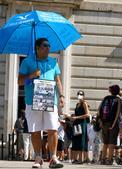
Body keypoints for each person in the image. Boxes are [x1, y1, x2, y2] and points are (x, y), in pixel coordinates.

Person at [18, 38, 64, 168]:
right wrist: (32, 75)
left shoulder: (53, 62)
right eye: (45, 46)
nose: (48, 48)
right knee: (35, 130)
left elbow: (58, 80)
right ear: (37, 48)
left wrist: (61, 95)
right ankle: (38, 157)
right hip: (32, 101)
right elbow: (20, 81)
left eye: (49, 45)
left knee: (53, 129)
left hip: (50, 100)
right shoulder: (27, 61)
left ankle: (53, 157)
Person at [99, 85, 121, 165]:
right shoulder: (118, 100)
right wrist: (114, 124)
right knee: (111, 143)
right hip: (113, 124)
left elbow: (99, 110)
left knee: (105, 142)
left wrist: (101, 121)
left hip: (104, 123)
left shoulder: (106, 98)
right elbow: (117, 113)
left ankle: (103, 159)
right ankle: (109, 159)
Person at [69, 90, 90, 164]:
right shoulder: (77, 104)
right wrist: (72, 116)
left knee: (81, 140)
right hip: (76, 124)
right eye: (78, 94)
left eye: (81, 94)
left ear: (83, 95)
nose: (79, 95)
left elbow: (87, 114)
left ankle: (81, 159)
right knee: (75, 140)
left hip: (82, 123)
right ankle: (75, 158)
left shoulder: (84, 103)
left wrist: (76, 117)